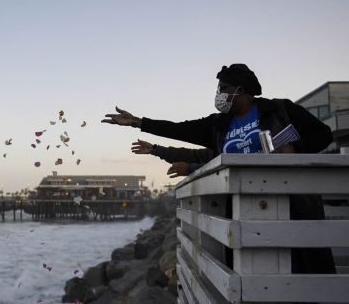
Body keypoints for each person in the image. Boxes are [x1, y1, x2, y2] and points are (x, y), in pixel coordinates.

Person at [102, 63, 335, 274]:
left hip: (291, 206)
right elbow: (179, 129)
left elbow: (324, 134)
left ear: (240, 90)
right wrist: (138, 122)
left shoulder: (280, 110)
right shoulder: (219, 125)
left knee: (304, 271)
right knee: (254, 273)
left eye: (223, 88)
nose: (219, 94)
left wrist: (293, 148)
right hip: (241, 212)